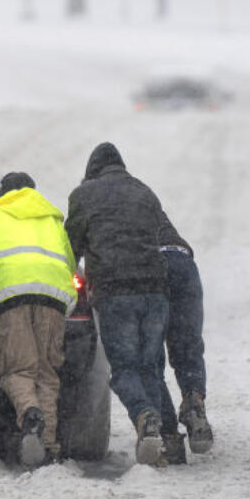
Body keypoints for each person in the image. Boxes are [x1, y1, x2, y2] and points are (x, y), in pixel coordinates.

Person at [66, 142, 169, 467]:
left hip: (115, 291)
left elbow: (70, 248)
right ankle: (161, 442)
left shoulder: (83, 195)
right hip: (155, 290)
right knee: (150, 367)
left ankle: (145, 416)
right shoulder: (145, 192)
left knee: (123, 368)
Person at [0, 171, 77, 469]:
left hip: (9, 298)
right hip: (53, 298)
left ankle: (30, 413)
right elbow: (70, 263)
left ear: (3, 194)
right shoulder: (51, 218)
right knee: (47, 373)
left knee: (18, 370)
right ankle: (48, 447)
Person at [155, 211, 214, 464]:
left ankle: (169, 434)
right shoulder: (144, 197)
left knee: (150, 356)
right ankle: (193, 400)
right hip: (183, 262)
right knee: (187, 345)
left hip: (152, 269)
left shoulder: (104, 208)